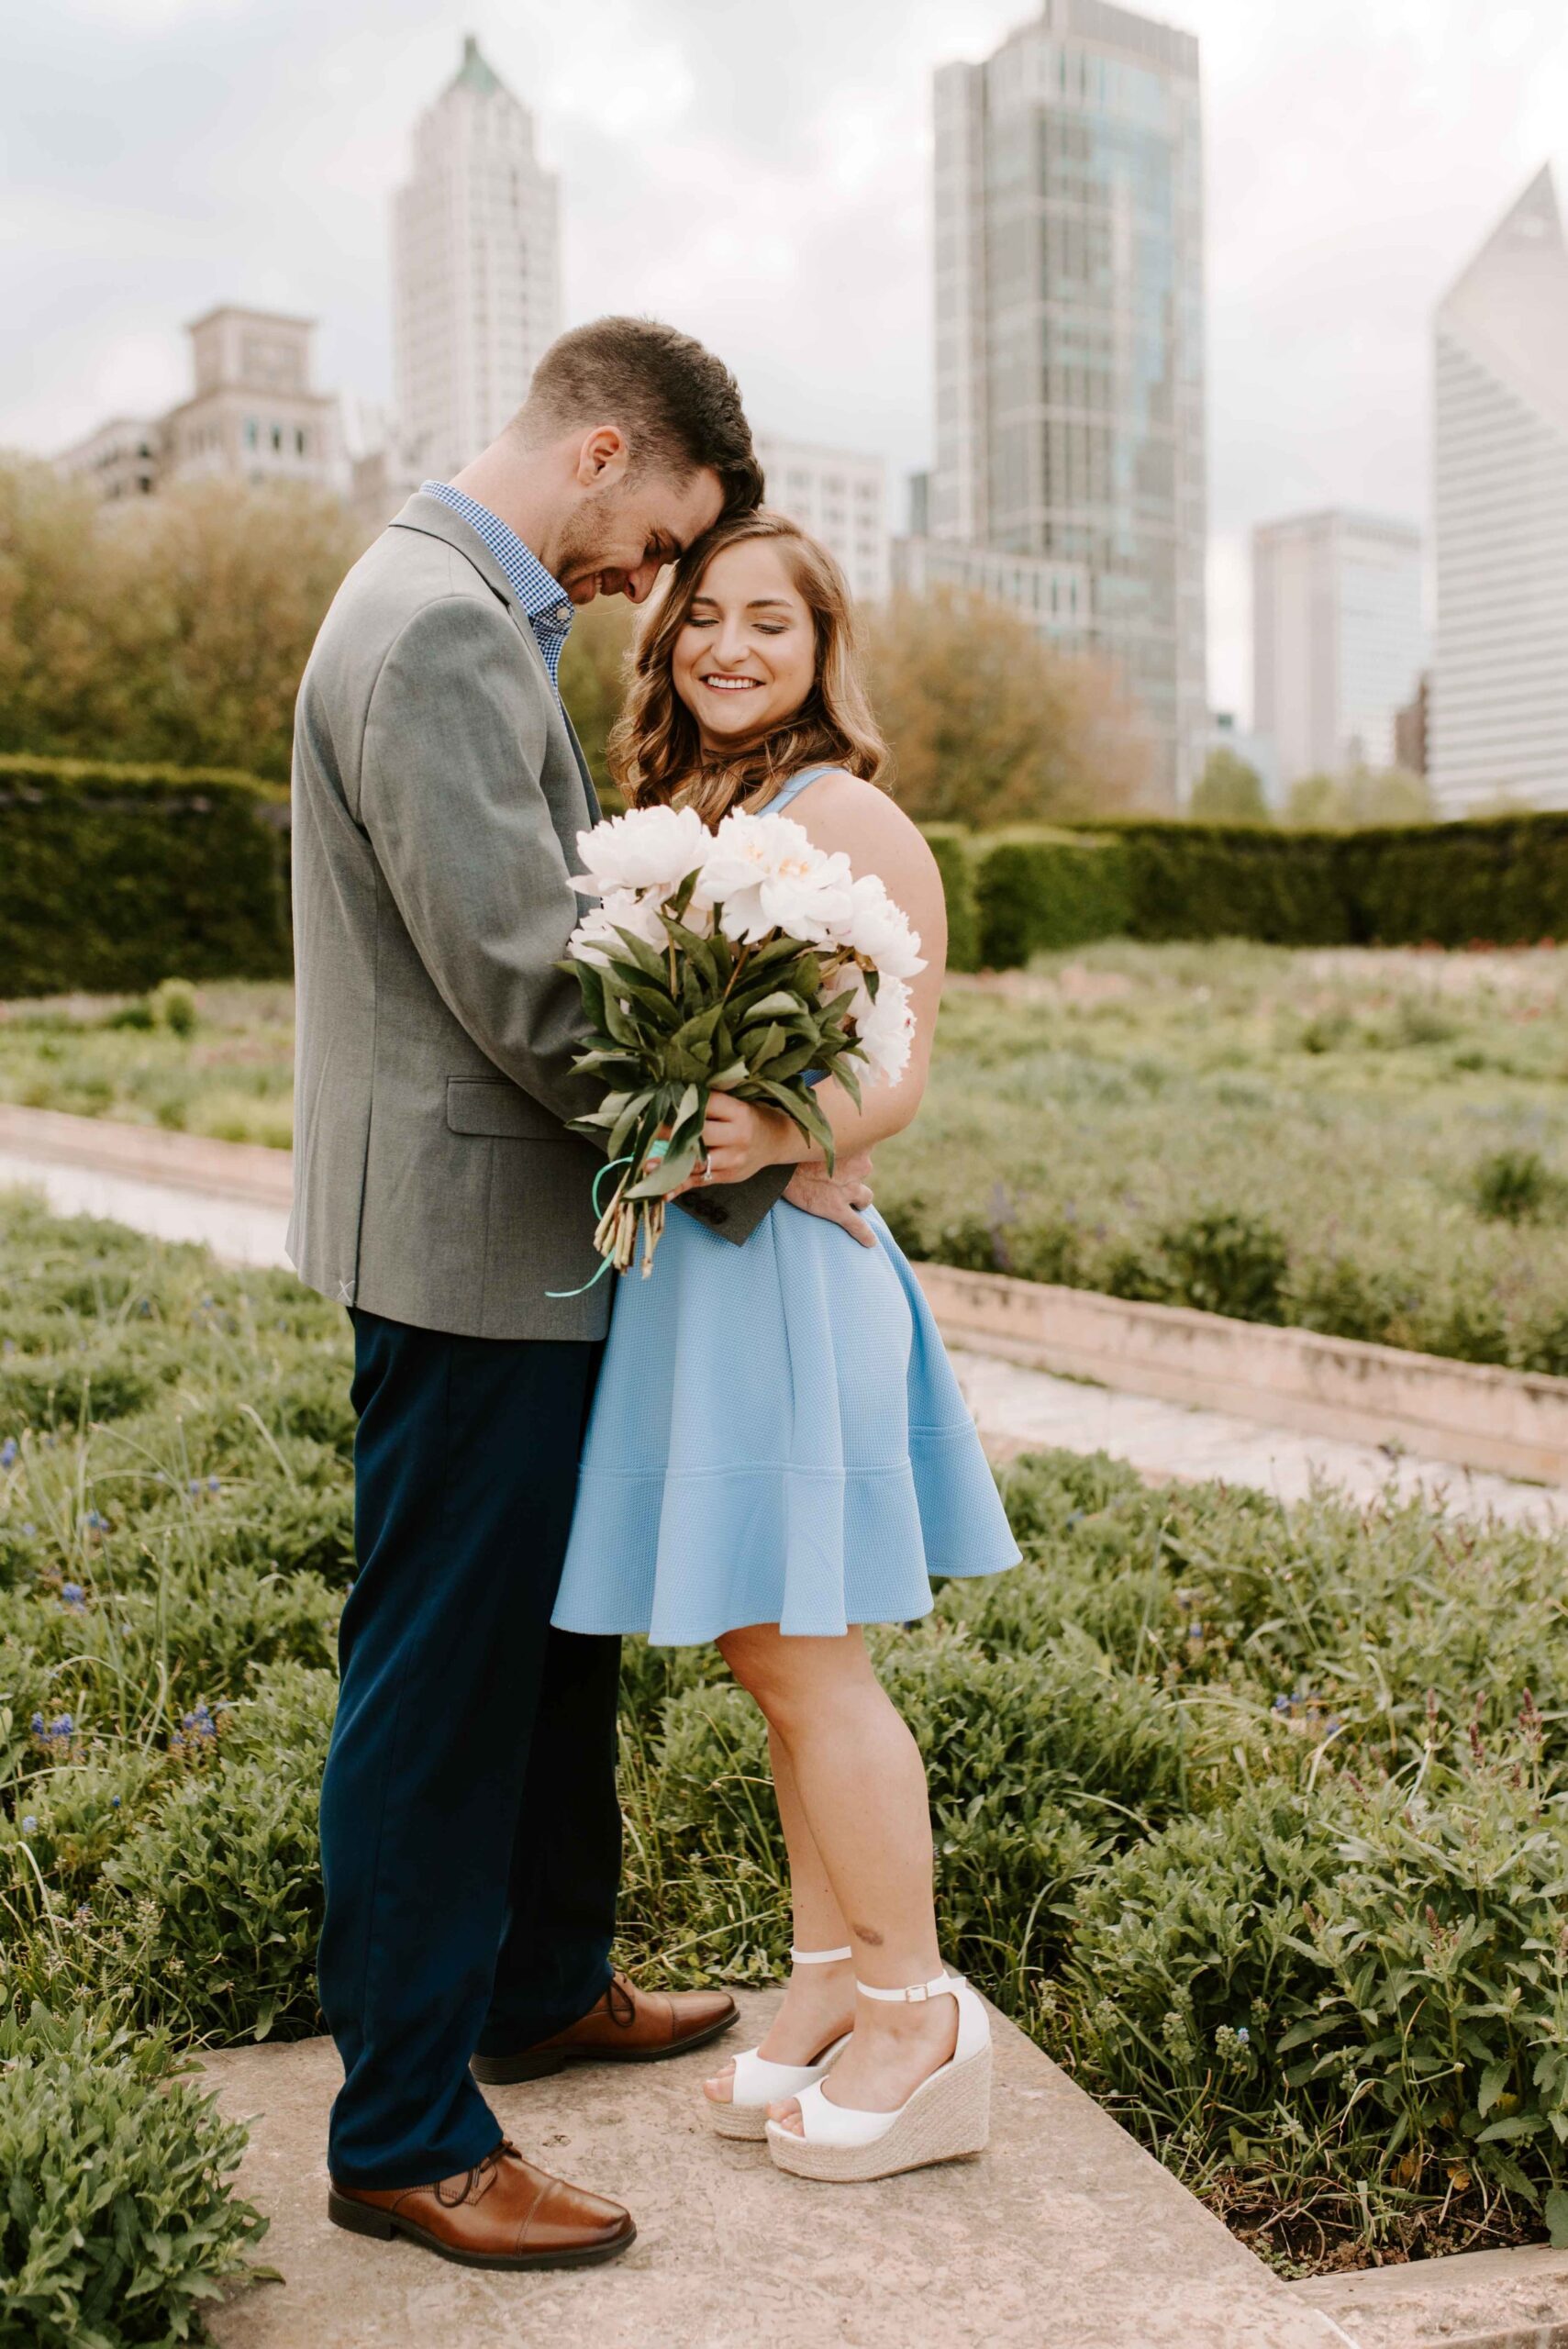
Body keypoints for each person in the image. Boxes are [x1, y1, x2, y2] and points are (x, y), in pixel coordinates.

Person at [287, 319, 873, 2271]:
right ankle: (406, 2130)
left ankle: (542, 1974)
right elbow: (527, 985)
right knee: (443, 1679)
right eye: (662, 538)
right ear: (607, 450)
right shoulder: (445, 621)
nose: (651, 582)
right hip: (470, 1246)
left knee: (543, 1647)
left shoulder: (438, 598)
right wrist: (753, 1144)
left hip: (504, 1238)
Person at [550, 508, 1020, 2184]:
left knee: (810, 1658)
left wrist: (774, 1129)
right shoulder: (685, 816)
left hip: (791, 1273)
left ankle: (917, 2012)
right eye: (701, 621)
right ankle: (825, 1983)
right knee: (767, 1662)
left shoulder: (849, 815)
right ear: (665, 644)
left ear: (822, 648)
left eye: (770, 621)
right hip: (698, 1280)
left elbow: (897, 1068)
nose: (728, 647)